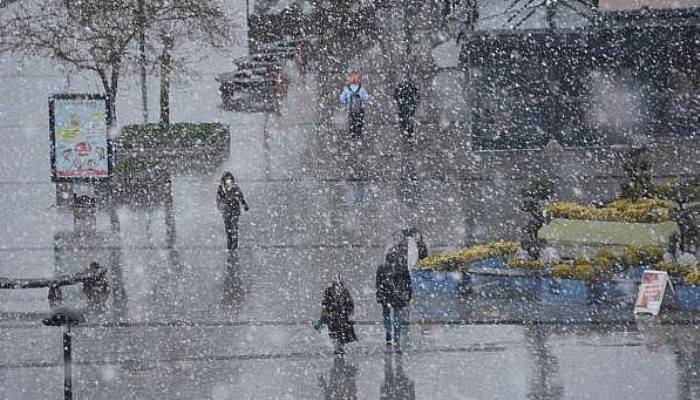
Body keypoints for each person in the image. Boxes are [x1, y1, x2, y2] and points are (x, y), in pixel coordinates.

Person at [376, 248, 412, 351]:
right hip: (397, 296)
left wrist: (379, 295)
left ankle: (390, 333)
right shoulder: (402, 268)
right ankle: (396, 336)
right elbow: (408, 284)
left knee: (388, 316)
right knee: (397, 317)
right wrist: (408, 295)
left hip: (387, 296)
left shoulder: (382, 268)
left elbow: (378, 283)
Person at [315, 274, 357, 354]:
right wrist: (326, 310)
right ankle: (337, 347)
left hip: (342, 316)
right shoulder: (329, 290)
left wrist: (349, 313)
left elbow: (350, 303)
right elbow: (324, 302)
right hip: (332, 315)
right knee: (334, 331)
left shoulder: (345, 291)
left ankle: (340, 346)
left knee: (342, 332)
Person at [216, 171, 249, 252]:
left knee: (234, 229)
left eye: (230, 179)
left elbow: (240, 196)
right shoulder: (221, 189)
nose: (228, 181)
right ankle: (229, 246)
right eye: (227, 180)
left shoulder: (235, 188)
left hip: (235, 211)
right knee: (228, 230)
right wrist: (221, 208)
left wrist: (244, 204)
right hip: (226, 212)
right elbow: (218, 200)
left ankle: (234, 247)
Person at [339, 74, 369, 140]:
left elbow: (342, 99)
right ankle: (359, 134)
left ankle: (352, 135)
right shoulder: (362, 89)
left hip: (350, 109)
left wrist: (346, 102)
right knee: (359, 121)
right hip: (360, 109)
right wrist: (363, 102)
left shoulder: (347, 90)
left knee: (351, 122)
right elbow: (366, 98)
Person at [393, 75, 419, 141]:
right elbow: (417, 95)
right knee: (409, 119)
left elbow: (395, 95)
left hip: (404, 105)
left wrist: (399, 101)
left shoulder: (400, 86)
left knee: (403, 119)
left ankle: (404, 132)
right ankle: (409, 134)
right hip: (409, 105)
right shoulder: (412, 86)